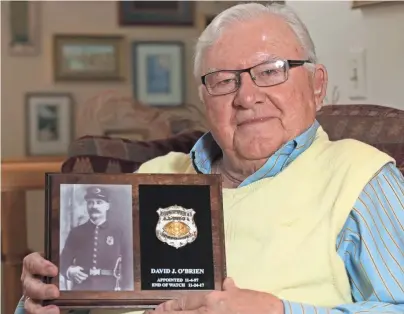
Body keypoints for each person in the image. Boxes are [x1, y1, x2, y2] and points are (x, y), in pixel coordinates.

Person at [16, 2, 403, 314]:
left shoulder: (360, 177)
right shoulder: (152, 176)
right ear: (205, 101)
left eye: (270, 71)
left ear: (317, 85)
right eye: (223, 80)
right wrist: (39, 298)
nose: (247, 96)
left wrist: (279, 311)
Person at [59, 186, 132, 292]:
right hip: (82, 288)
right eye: (90, 202)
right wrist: (69, 271)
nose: (94, 206)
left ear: (107, 206)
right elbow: (63, 261)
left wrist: (126, 289)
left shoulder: (119, 232)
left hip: (110, 288)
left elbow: (129, 264)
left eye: (99, 202)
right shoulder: (76, 232)